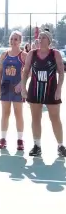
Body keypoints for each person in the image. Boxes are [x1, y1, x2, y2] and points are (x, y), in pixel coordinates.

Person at [22, 29, 66, 157]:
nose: (40, 40)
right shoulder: (32, 53)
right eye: (39, 38)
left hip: (51, 90)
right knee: (36, 118)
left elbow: (62, 73)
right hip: (35, 90)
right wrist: (24, 88)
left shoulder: (55, 54)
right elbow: (25, 72)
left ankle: (60, 145)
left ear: (49, 40)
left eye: (43, 38)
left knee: (55, 118)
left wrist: (59, 89)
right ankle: (37, 145)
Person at [0, 30, 27, 150]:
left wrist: (21, 84)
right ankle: (3, 139)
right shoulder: (4, 54)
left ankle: (20, 140)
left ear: (20, 41)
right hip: (5, 85)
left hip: (17, 87)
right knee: (5, 113)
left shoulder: (23, 55)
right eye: (12, 39)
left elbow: (28, 72)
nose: (13, 41)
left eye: (16, 39)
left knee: (18, 113)